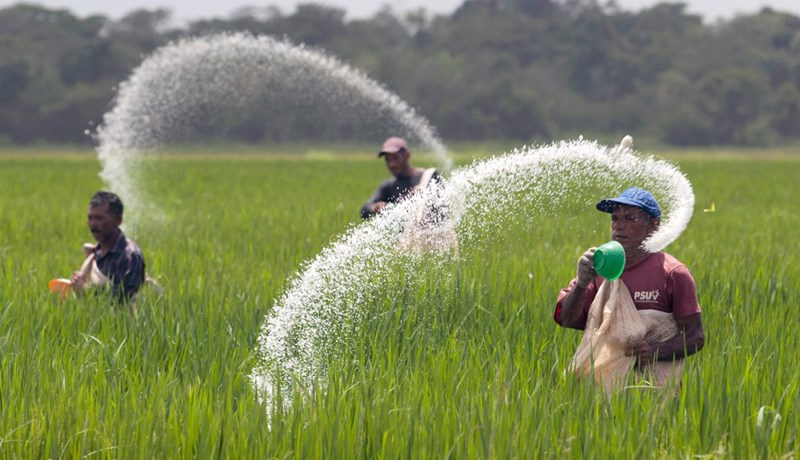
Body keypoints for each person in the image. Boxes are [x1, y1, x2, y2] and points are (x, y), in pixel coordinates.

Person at [554, 187, 704, 384]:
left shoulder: (673, 273)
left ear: (653, 226)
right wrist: (581, 283)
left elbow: (695, 337)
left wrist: (655, 351)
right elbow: (567, 319)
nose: (619, 226)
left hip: (654, 390)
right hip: (601, 390)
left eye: (629, 218)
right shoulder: (599, 269)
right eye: (615, 218)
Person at [70, 191, 146, 303]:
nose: (93, 224)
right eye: (90, 218)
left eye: (99, 218)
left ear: (118, 220)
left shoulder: (130, 255)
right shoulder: (95, 252)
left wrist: (88, 290)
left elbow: (126, 296)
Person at [360, 137, 440, 219]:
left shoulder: (428, 177)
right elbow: (364, 211)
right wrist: (376, 207)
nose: (391, 164)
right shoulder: (388, 186)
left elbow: (441, 211)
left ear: (407, 156)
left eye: (396, 158)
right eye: (388, 159)